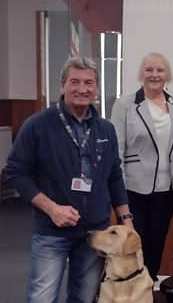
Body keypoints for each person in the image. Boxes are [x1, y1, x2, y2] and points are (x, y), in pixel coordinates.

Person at [6, 57, 132, 303]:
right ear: (62, 85)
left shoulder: (106, 129)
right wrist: (52, 209)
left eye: (89, 83)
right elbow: (16, 171)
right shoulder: (38, 125)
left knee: (84, 298)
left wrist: (126, 219)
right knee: (42, 298)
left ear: (96, 89)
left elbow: (115, 176)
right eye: (75, 82)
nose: (82, 89)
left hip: (95, 232)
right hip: (52, 230)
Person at [109, 52, 173, 280]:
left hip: (168, 189)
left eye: (160, 70)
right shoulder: (125, 104)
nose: (154, 75)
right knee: (133, 246)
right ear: (141, 73)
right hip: (134, 188)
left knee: (156, 243)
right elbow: (117, 150)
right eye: (149, 69)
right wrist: (118, 189)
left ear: (167, 75)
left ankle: (147, 288)